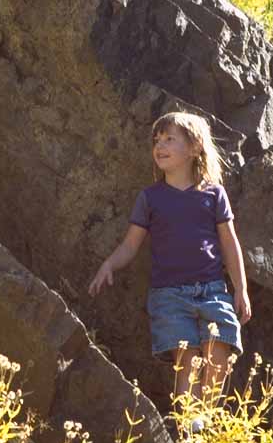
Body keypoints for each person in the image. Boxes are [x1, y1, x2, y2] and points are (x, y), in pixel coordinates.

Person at [88, 111, 251, 414]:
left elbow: (230, 243)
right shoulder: (151, 198)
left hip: (213, 291)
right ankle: (190, 429)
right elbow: (130, 244)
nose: (159, 146)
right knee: (187, 362)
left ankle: (207, 425)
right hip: (168, 295)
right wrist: (108, 264)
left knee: (218, 355)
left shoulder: (213, 194)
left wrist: (240, 289)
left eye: (169, 139)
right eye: (157, 140)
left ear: (193, 147)